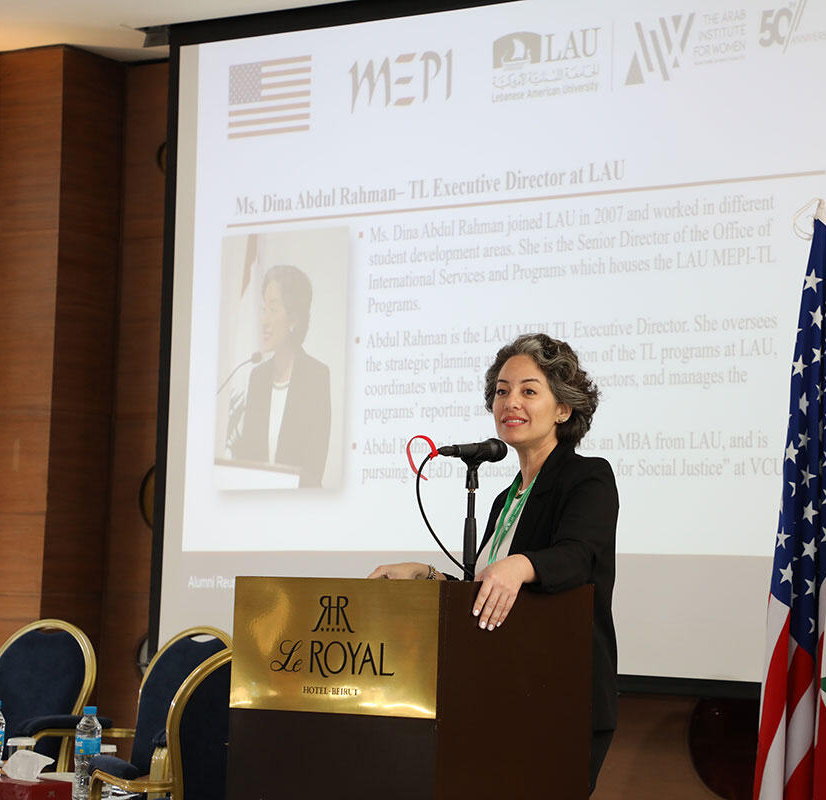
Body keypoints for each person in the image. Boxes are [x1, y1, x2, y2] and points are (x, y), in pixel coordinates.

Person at [370, 333, 619, 793]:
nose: (511, 402)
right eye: (502, 391)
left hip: (560, 700)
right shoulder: (506, 499)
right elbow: (486, 590)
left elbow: (579, 556)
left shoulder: (588, 477)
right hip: (500, 696)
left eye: (529, 390)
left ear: (563, 408)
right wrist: (425, 576)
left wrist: (521, 565)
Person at [231, 264, 331, 488]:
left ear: (294, 319)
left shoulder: (317, 377)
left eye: (273, 309)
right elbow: (248, 458)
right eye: (264, 308)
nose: (264, 319)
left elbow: (313, 470)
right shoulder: (258, 377)